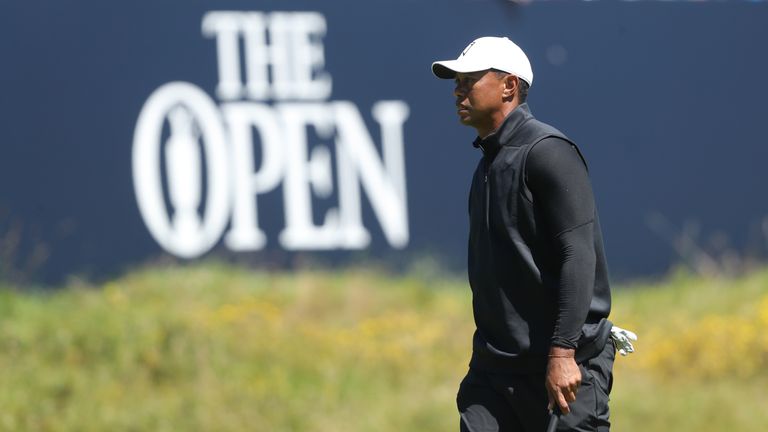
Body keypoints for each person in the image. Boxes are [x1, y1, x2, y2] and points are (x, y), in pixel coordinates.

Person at [431, 36, 615, 431]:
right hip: (495, 373)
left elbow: (578, 256)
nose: (458, 90)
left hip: (564, 367)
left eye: (469, 79)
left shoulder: (548, 152)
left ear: (509, 86)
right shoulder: (487, 164)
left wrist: (563, 352)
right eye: (455, 81)